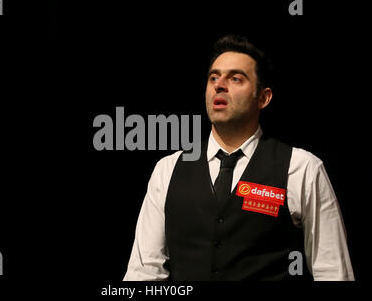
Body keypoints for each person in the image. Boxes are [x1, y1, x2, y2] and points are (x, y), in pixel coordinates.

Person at [123, 34, 354, 281]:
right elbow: (144, 272)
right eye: (214, 77)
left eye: (235, 78)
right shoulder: (168, 169)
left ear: (263, 98)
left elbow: (332, 271)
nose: (219, 85)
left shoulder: (301, 167)